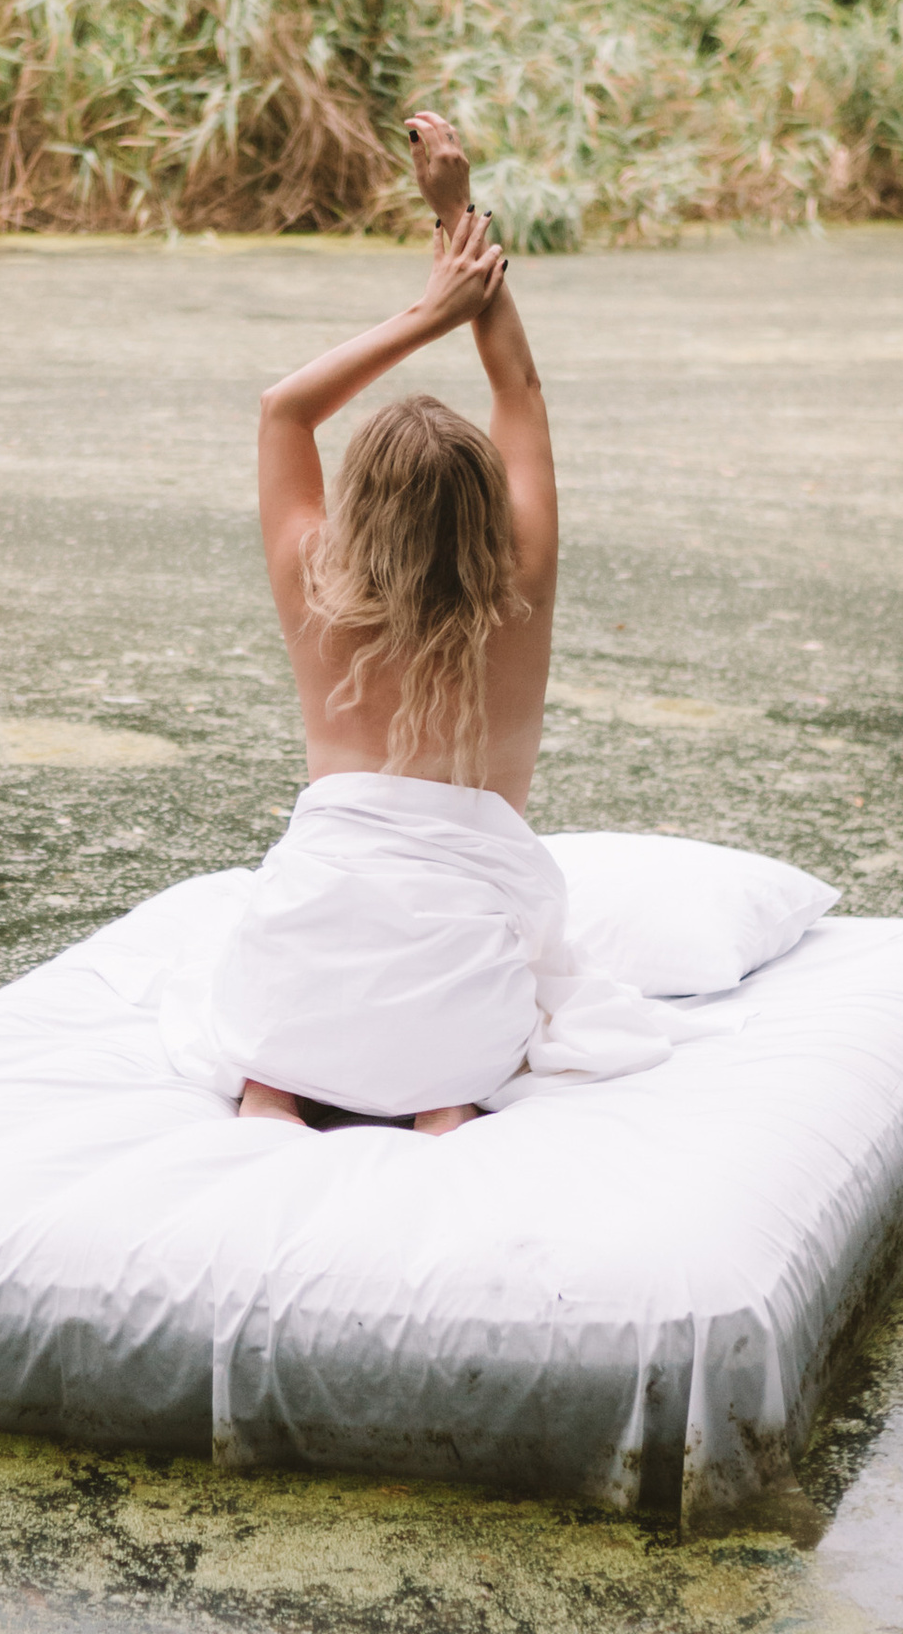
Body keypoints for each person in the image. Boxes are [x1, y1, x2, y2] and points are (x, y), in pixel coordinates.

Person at [212, 111, 663, 1134]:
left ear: (360, 507)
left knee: (284, 1026)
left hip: (303, 939)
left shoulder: (317, 585)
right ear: (485, 506)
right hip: (457, 964)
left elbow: (285, 409)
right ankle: (439, 1107)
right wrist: (459, 214)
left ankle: (274, 1095)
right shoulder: (519, 585)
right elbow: (519, 386)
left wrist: (428, 310)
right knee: (450, 1040)